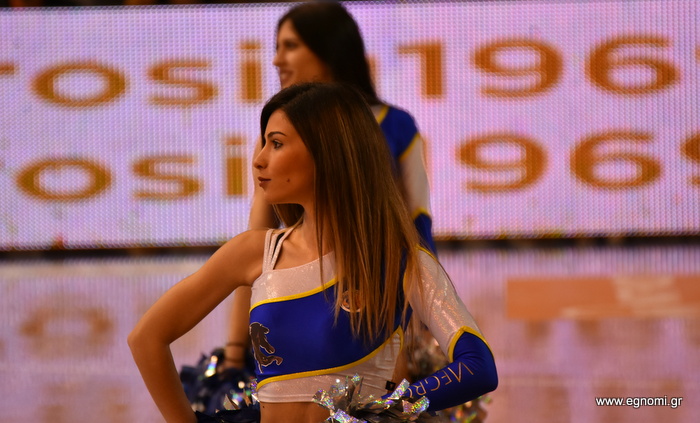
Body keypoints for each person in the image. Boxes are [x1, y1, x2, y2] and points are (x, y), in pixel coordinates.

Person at [129, 82, 497, 423]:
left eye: (276, 143)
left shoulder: (402, 261)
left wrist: (390, 409)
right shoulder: (256, 252)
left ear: (327, 151)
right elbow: (147, 338)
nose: (258, 160)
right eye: (263, 144)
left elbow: (478, 365)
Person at [223, 0, 435, 375]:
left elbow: (418, 226)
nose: (276, 60)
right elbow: (255, 244)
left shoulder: (396, 126)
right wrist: (235, 351)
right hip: (297, 307)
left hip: (381, 307)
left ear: (329, 50)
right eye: (277, 47)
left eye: (290, 46)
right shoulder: (275, 133)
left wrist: (428, 319)